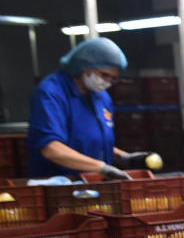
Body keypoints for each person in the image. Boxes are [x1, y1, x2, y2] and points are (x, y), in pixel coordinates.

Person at [26, 38, 150, 180]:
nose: (107, 82)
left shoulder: (101, 97)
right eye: (104, 75)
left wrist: (123, 157)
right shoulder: (51, 93)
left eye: (113, 78)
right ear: (84, 66)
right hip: (59, 184)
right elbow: (51, 149)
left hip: (94, 183)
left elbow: (91, 141)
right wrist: (102, 168)